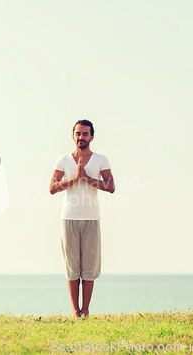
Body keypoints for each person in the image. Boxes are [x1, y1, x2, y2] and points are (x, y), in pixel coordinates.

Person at [49, 119, 115, 318]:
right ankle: (75, 311)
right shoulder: (63, 160)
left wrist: (86, 178)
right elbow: (52, 188)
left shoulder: (101, 159)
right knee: (72, 267)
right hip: (69, 219)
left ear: (92, 137)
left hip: (92, 219)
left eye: (85, 134)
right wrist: (75, 179)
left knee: (89, 267)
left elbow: (111, 187)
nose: (81, 137)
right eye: (78, 133)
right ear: (73, 136)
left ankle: (85, 310)